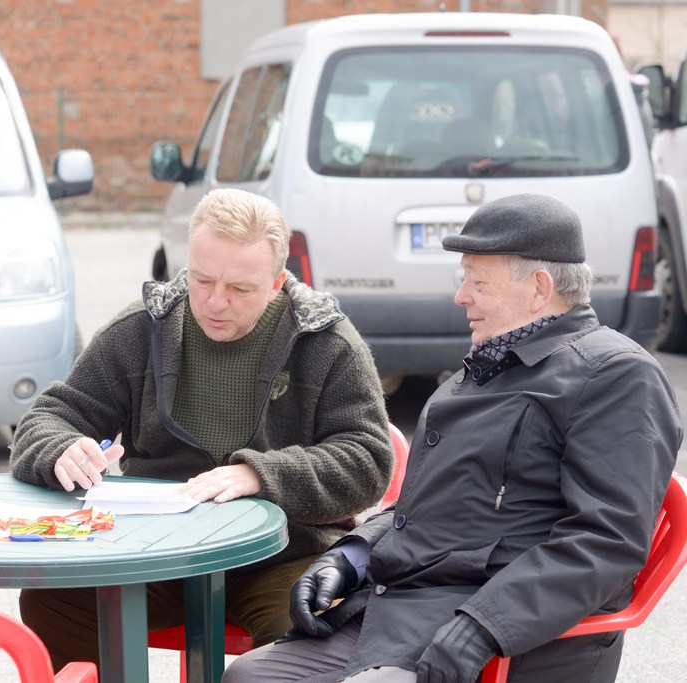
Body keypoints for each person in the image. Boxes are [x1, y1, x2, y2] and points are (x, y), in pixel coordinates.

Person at [222, 193, 682, 683]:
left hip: (512, 639)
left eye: (477, 281)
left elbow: (605, 540)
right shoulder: (480, 372)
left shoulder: (615, 376)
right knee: (249, 677)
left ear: (540, 288)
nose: (462, 296)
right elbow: (419, 507)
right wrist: (349, 557)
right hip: (400, 611)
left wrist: (485, 626)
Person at [9, 187, 394, 669]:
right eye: (203, 279)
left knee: (309, 628)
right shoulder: (139, 331)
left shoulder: (327, 342)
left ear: (277, 283)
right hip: (156, 550)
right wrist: (59, 448)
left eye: (240, 289)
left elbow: (369, 459)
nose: (216, 302)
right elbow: (49, 417)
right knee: (54, 601)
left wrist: (262, 475)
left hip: (285, 554)